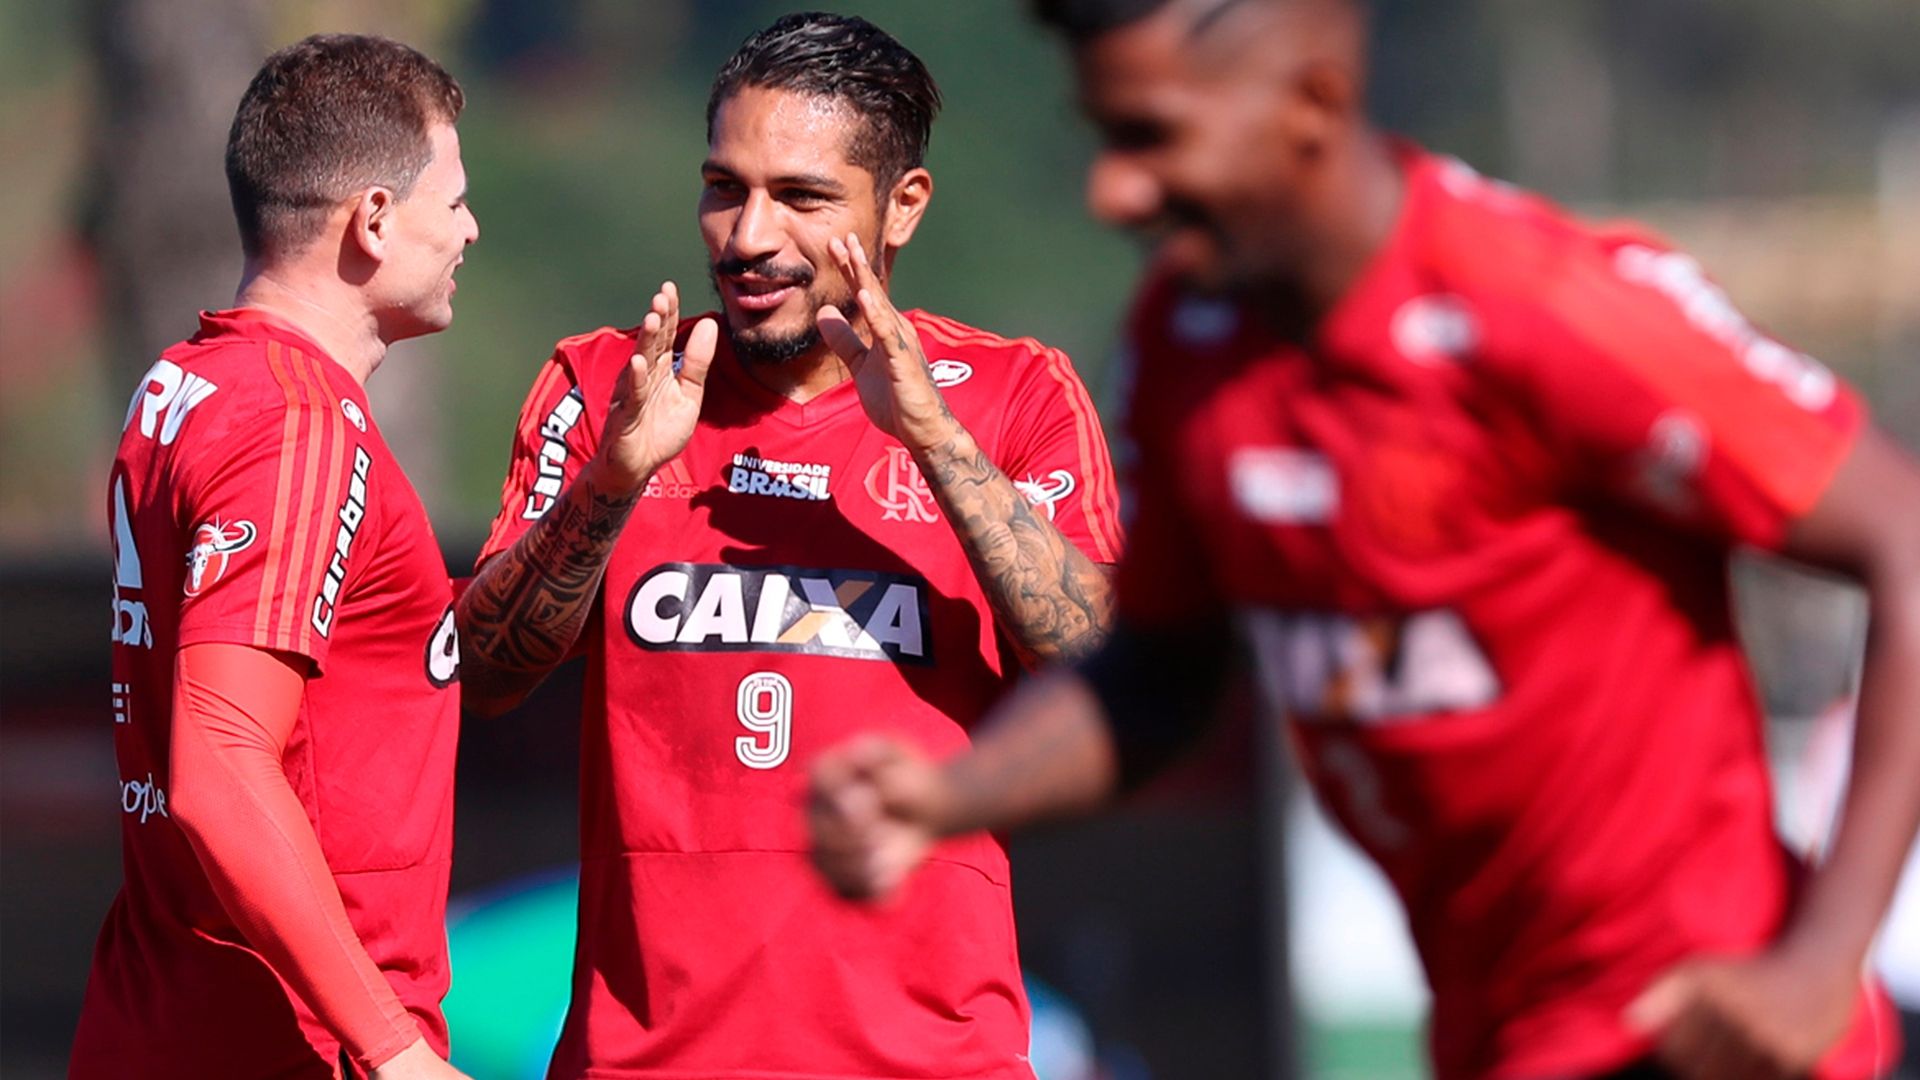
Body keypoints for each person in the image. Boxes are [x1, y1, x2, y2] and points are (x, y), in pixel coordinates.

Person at [807, 2, 1920, 1079]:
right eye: (1104, 138)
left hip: (1705, 1036)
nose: (1115, 189)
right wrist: (948, 798)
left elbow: (1904, 535)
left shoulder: (1542, 304)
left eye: (1154, 138)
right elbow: (1158, 675)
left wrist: (1824, 964)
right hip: (1499, 1040)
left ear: (1314, 102)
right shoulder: (1188, 344)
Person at [456, 12, 1121, 1080]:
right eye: (726, 187)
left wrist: (934, 442)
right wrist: (612, 482)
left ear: (901, 207)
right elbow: (480, 673)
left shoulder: (1014, 395)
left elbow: (1104, 666)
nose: (749, 234)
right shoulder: (609, 387)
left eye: (802, 198)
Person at [72, 34, 478, 1080]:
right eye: (454, 200)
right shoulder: (298, 426)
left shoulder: (190, 379)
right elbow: (219, 761)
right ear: (375, 221)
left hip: (162, 1020)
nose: (470, 230)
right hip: (280, 1045)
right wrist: (393, 1051)